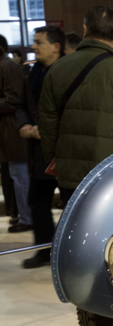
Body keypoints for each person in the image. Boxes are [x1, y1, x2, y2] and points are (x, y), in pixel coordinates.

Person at [38, 6, 113, 207]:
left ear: (85, 30)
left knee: (75, 231)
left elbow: (47, 126)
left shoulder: (56, 69)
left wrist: (59, 162)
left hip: (70, 174)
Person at [15, 25, 64, 267]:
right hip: (40, 152)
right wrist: (24, 125)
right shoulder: (34, 72)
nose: (33, 46)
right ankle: (45, 250)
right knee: (38, 202)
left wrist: (43, 130)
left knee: (73, 205)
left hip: (65, 152)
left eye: (38, 42)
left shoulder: (68, 71)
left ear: (56, 47)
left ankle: (69, 254)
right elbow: (21, 103)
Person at [0, 34, 31, 233]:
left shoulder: (8, 66)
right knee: (15, 175)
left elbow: (13, 99)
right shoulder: (4, 65)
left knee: (19, 175)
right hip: (7, 129)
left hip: (13, 129)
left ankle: (27, 217)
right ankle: (23, 214)